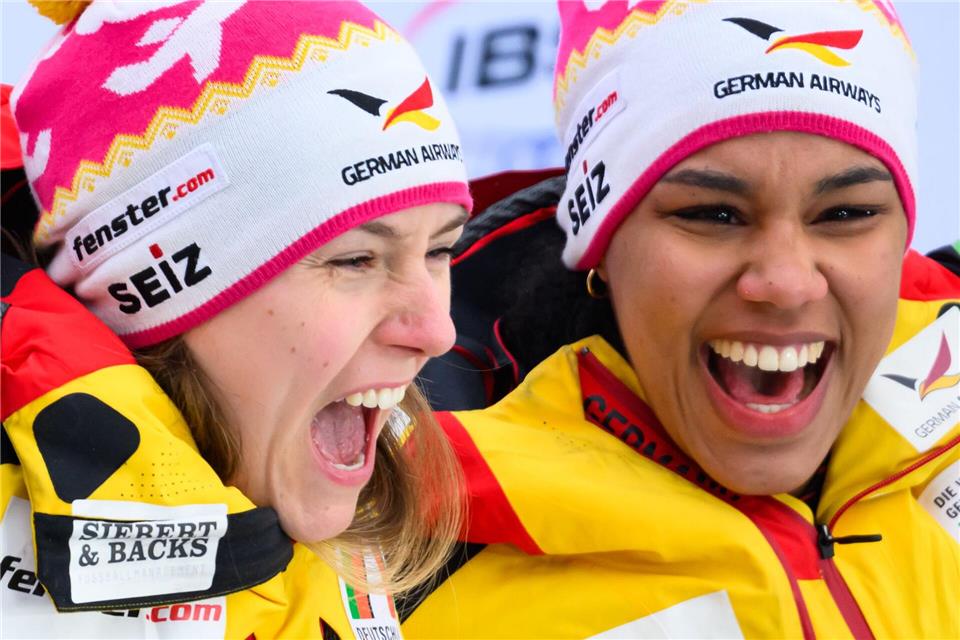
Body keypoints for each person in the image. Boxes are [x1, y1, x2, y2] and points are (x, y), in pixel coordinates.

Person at [401, 1, 960, 637]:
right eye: (713, 214)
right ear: (602, 246)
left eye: (846, 214)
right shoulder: (396, 537)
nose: (784, 283)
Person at [1, 1, 471, 637]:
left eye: (440, 250)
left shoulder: (380, 517)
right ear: (156, 286)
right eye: (356, 259)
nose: (436, 331)